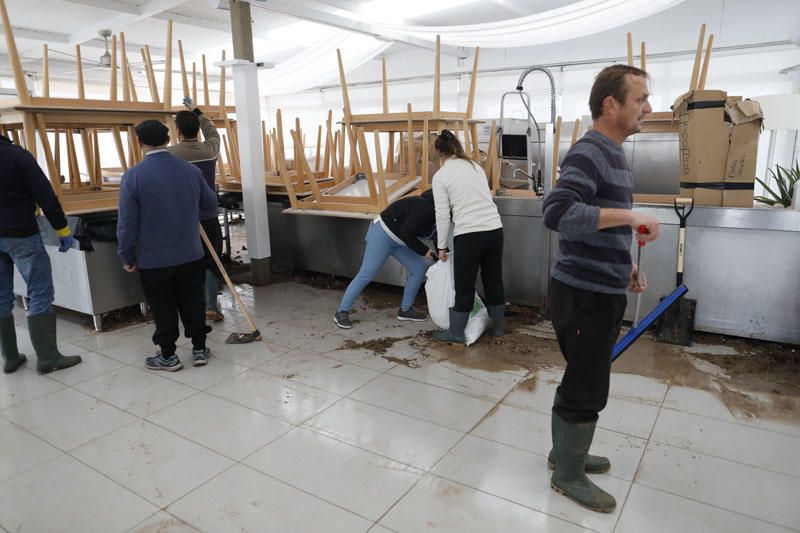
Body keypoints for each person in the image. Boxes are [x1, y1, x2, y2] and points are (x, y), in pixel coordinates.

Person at [542, 64, 660, 513]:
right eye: (640, 99)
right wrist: (631, 217)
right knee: (587, 385)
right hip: (583, 294)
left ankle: (564, 452)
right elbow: (558, 212)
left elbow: (595, 222)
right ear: (610, 105)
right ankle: (567, 474)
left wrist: (624, 264)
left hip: (599, 287)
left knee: (583, 377)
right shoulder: (591, 151)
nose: (647, 107)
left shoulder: (614, 154)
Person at [117, 120, 218, 371]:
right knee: (192, 300)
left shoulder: (133, 177)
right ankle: (199, 348)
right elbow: (211, 204)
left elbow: (127, 224)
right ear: (168, 138)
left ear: (139, 142)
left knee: (163, 306)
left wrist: (126, 254)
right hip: (190, 252)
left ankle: (168, 356)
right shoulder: (190, 171)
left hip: (154, 258)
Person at [0, 135, 82, 374]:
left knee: (1, 297)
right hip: (21, 234)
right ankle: (48, 357)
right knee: (39, 292)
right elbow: (45, 195)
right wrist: (63, 230)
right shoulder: (17, 156)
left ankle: (11, 358)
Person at [431, 129, 505, 344]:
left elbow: (442, 214)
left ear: (439, 153)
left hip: (469, 235)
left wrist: (442, 247)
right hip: (494, 230)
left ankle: (455, 333)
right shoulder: (475, 167)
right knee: (494, 279)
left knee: (464, 284)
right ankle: (498, 329)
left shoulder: (441, 176)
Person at [334, 189, 437, 329]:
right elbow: (407, 233)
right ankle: (341, 312)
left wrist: (443, 252)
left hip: (399, 241)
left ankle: (405, 310)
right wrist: (425, 252)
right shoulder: (424, 206)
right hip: (382, 234)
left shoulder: (438, 212)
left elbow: (434, 235)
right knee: (366, 274)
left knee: (418, 269)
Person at [168, 97, 225, 323]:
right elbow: (212, 131)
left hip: (181, 218)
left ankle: (194, 305)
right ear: (196, 131)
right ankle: (211, 302)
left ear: (178, 131)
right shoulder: (209, 148)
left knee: (188, 261)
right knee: (212, 256)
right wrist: (197, 112)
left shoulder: (171, 155)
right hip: (207, 212)